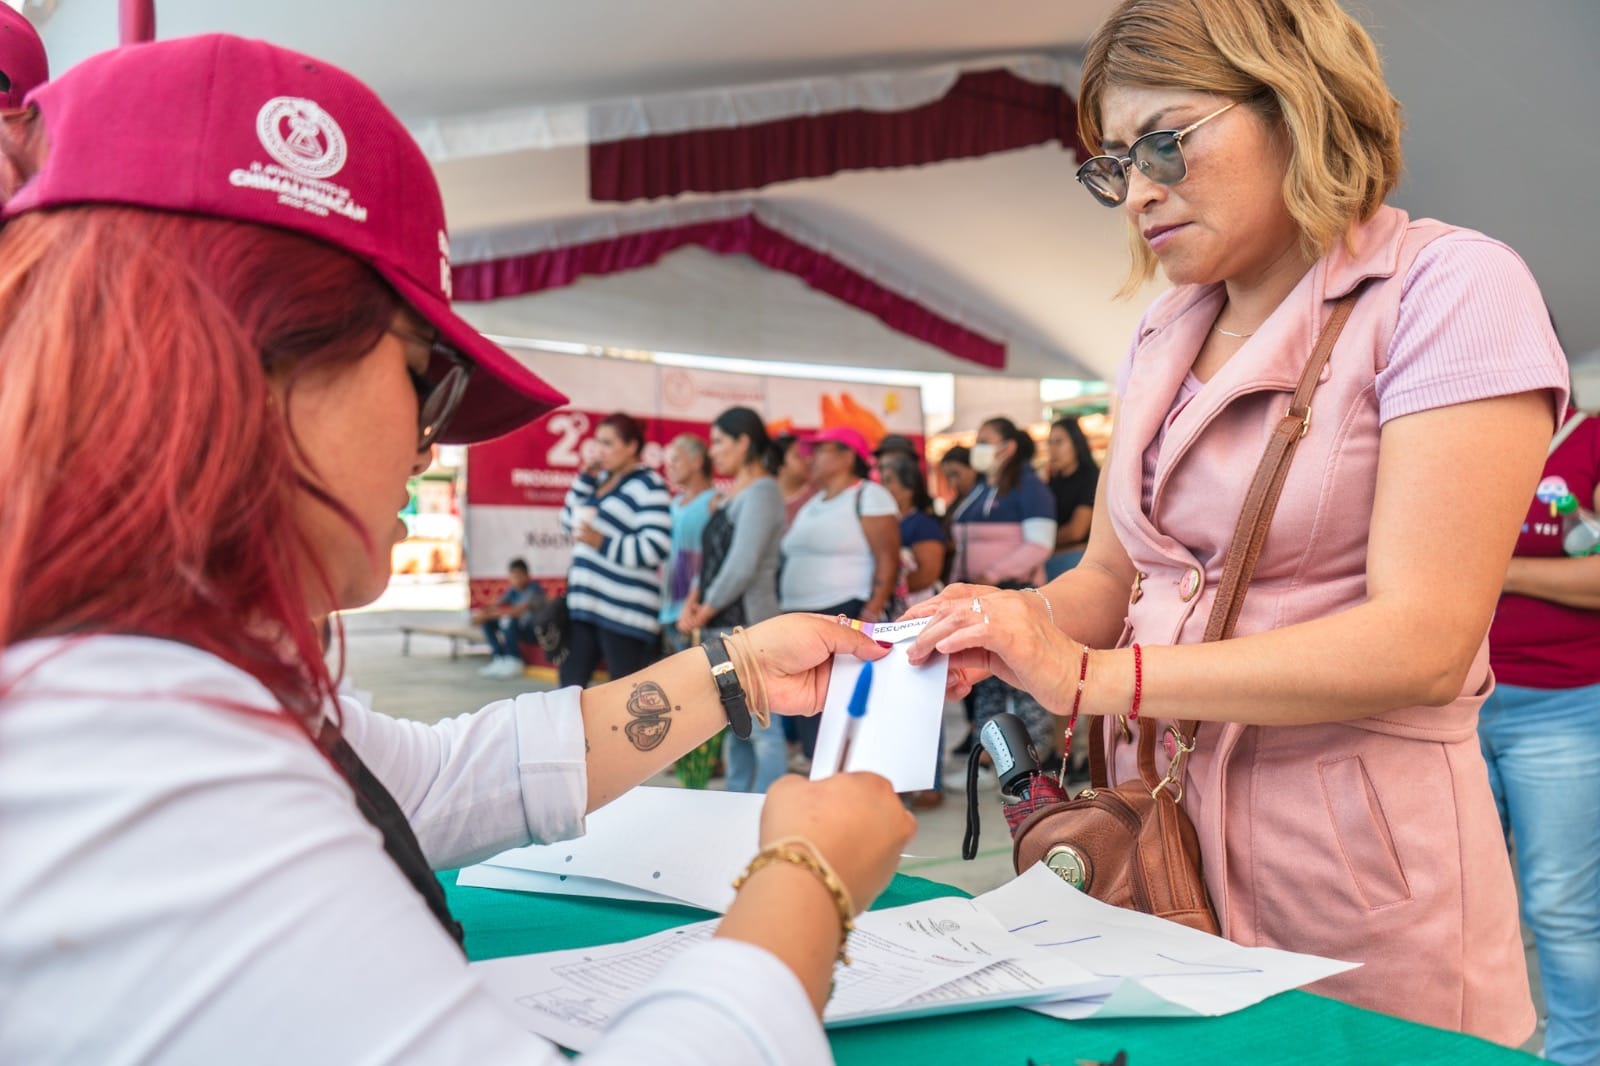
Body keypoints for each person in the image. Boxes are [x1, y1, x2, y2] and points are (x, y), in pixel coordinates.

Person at [0, 36, 916, 1065]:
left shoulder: (124, 662)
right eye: (423, 378)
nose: (428, 446)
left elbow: (421, 785)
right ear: (249, 356)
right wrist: (807, 879)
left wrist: (740, 668)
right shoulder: (129, 744)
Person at [906, 0, 1567, 1045]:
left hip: (1348, 861)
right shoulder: (1165, 326)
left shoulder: (1449, 287)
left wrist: (1090, 678)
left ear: (1296, 103)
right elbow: (1112, 579)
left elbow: (1426, 642)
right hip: (1153, 835)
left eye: (1164, 141)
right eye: (1113, 164)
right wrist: (997, 621)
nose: (1137, 192)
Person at [1480, 405, 1600, 1066]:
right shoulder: (1463, 438)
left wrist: (1496, 569)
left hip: (1563, 707)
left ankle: (1577, 1057)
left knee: (1561, 907)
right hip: (1454, 704)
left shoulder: (1590, 442)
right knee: (1461, 904)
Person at [680, 407, 789, 793]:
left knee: (762, 727)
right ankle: (736, 808)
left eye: (720, 442)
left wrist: (703, 609)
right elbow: (710, 561)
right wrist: (694, 601)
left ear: (744, 442)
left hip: (748, 625)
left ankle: (769, 811)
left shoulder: (763, 492)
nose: (714, 451)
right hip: (721, 625)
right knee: (734, 727)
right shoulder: (730, 496)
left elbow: (742, 566)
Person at [780, 426, 901, 760]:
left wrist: (871, 613)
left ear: (848, 456)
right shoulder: (813, 501)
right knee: (810, 702)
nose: (812, 457)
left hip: (843, 612)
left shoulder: (869, 495)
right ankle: (821, 776)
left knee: (839, 706)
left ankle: (849, 779)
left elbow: (888, 558)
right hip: (799, 613)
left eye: (821, 450)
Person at [949, 416, 1058, 759]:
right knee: (986, 677)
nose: (977, 447)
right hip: (978, 597)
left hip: (1012, 594)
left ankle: (1036, 758)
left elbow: (1040, 544)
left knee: (1023, 676)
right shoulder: (981, 487)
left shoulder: (1029, 487)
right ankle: (988, 758)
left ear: (1007, 447)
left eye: (985, 440)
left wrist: (994, 575)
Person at [559, 412, 671, 687]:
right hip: (587, 604)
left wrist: (604, 543)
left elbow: (656, 547)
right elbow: (567, 522)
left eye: (608, 443)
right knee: (569, 691)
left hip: (624, 613)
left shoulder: (649, 485)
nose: (600, 450)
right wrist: (585, 479)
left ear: (631, 446)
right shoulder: (599, 481)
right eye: (598, 442)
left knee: (624, 699)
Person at [878, 453, 949, 809]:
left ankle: (930, 780)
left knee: (925, 694)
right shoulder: (887, 522)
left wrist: (893, 581)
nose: (883, 487)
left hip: (919, 617)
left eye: (889, 479)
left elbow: (928, 570)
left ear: (907, 486)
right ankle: (903, 777)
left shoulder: (922, 525)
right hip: (893, 616)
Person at [658, 432, 717, 657]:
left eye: (676, 459)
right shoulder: (672, 504)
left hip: (695, 611)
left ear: (697, 461)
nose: (670, 466)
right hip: (668, 610)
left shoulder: (715, 502)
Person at [471, 557, 547, 678]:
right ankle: (499, 658)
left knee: (509, 620)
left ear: (527, 575)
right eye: (512, 576)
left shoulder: (534, 590)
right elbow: (495, 604)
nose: (515, 580)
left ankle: (514, 660)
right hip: (519, 629)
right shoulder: (513, 590)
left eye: (518, 576)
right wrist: (482, 615)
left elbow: (516, 612)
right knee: (488, 622)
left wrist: (488, 615)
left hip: (535, 632)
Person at [1044, 417, 1099, 580]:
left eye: (1059, 442)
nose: (1052, 450)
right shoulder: (1052, 481)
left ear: (1076, 444)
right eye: (1049, 443)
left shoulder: (1090, 478)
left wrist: (1041, 542)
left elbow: (1077, 531)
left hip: (1079, 556)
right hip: (1052, 553)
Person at [767, 432, 816, 530]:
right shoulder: (764, 496)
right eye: (798, 456)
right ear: (780, 465)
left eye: (806, 454)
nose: (807, 460)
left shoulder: (819, 493)